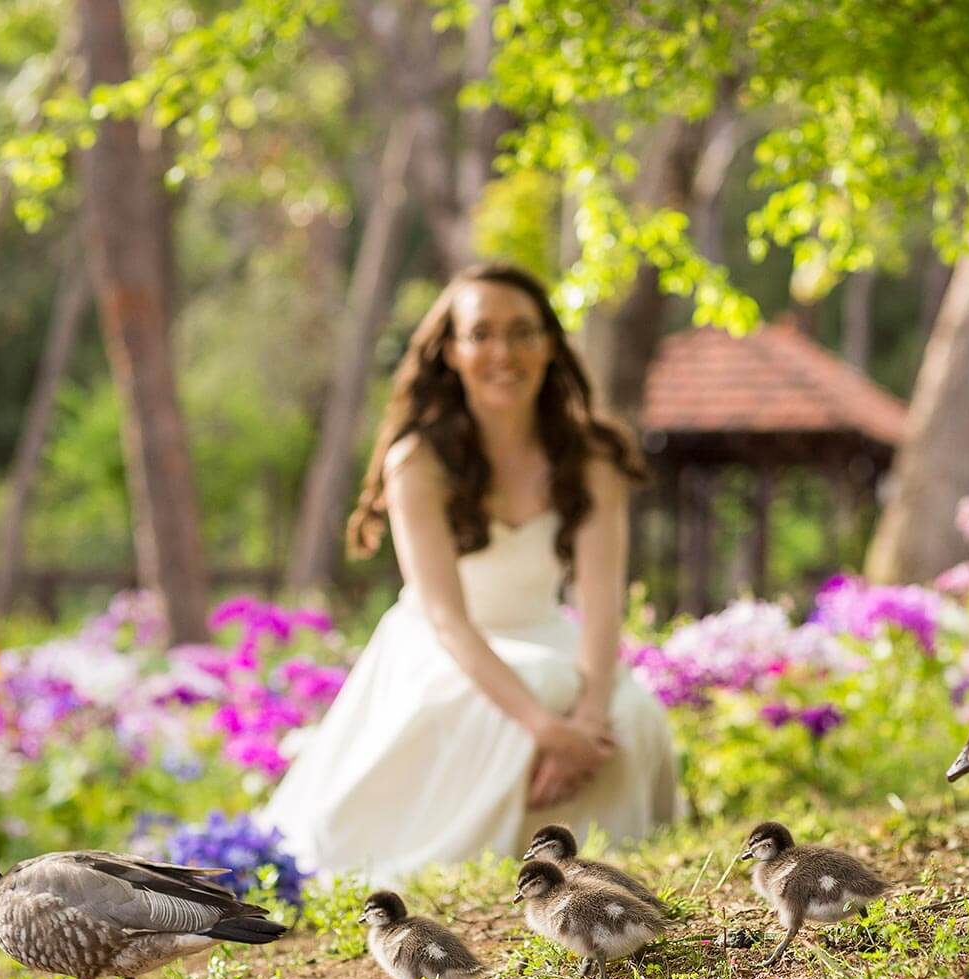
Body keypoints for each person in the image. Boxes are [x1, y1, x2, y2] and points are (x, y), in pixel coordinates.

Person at [262, 263, 681, 882]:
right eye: (481, 334)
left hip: (547, 634)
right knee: (538, 686)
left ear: (549, 345)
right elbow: (447, 621)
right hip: (440, 647)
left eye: (522, 332)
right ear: (451, 353)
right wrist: (547, 730)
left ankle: (598, 870)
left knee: (634, 716)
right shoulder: (418, 463)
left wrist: (587, 720)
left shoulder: (592, 458)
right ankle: (491, 864)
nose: (503, 352)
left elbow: (601, 603)